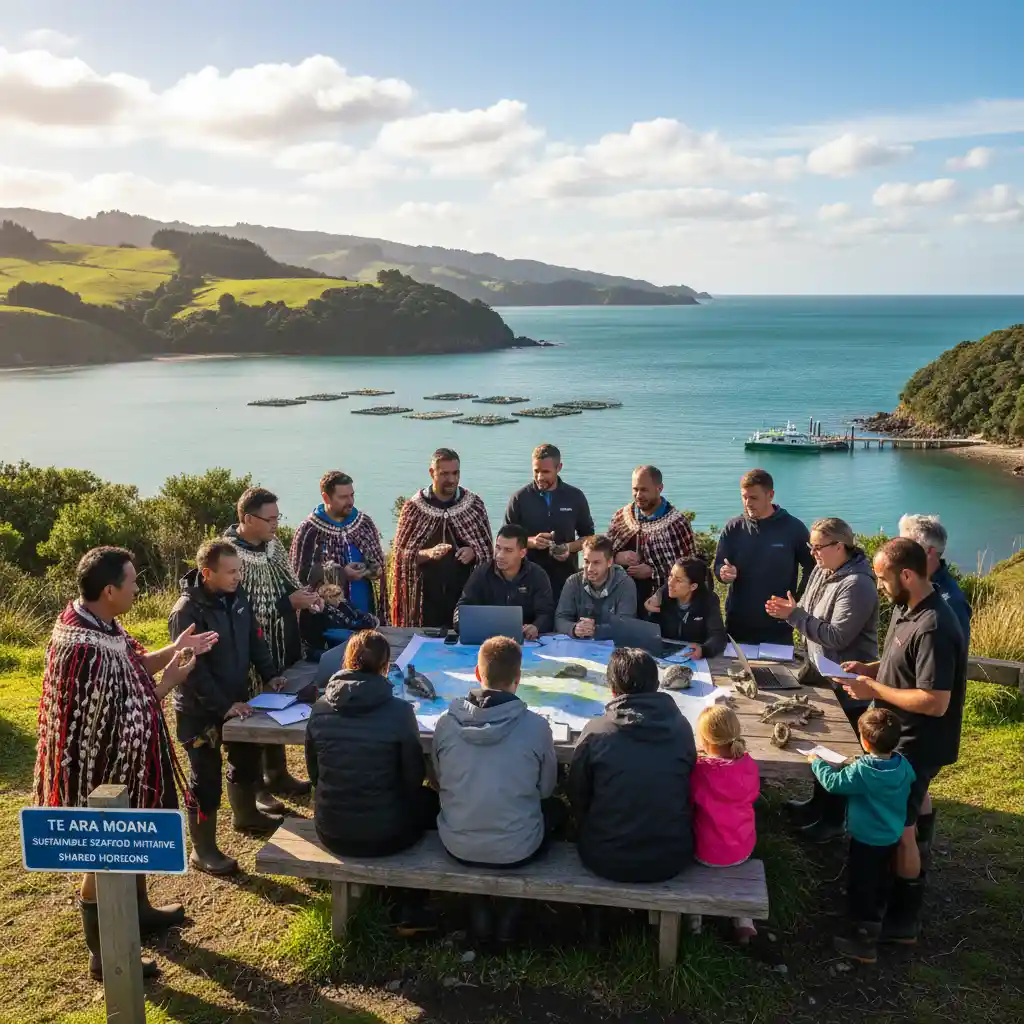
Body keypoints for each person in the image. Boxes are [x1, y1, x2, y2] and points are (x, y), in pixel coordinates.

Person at [34, 547, 213, 981]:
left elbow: (131, 667)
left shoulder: (98, 622)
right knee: (105, 856)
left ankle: (141, 912)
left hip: (124, 760)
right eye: (132, 582)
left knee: (132, 843)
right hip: (100, 773)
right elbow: (118, 714)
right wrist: (170, 681)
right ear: (110, 590)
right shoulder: (83, 649)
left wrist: (175, 648)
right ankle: (104, 954)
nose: (138, 587)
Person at [839, 538, 968, 945]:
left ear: (907, 575)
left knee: (902, 828)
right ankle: (884, 901)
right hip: (899, 735)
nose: (878, 585)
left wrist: (872, 687)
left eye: (881, 577)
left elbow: (935, 700)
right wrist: (871, 667)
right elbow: (900, 661)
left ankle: (900, 921)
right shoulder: (904, 608)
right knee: (899, 823)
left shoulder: (934, 625)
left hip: (918, 743)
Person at [305, 630, 439, 934]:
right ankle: (411, 902)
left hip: (332, 829)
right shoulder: (401, 712)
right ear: (385, 665)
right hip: (388, 835)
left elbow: (315, 774)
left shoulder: (320, 708)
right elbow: (412, 779)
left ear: (348, 661)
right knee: (433, 803)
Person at [169, 540, 288, 876]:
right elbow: (192, 672)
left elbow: (255, 639)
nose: (238, 576)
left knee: (245, 760)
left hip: (238, 700)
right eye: (231, 571)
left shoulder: (238, 597)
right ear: (207, 573)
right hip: (199, 712)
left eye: (239, 570)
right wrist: (224, 706)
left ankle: (246, 815)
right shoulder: (186, 611)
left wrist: (271, 675)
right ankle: (203, 850)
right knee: (205, 780)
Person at [433, 636, 559, 943]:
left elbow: (439, 781)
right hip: (519, 848)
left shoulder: (445, 724)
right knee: (557, 813)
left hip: (457, 843)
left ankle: (479, 909)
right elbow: (546, 790)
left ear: (477, 674)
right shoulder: (537, 727)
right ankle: (511, 914)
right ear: (519, 678)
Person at [765, 517, 880, 841]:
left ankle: (833, 821)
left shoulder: (857, 584)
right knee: (823, 743)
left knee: (840, 752)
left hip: (847, 680)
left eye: (818, 547)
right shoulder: (822, 570)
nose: (812, 554)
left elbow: (837, 636)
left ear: (840, 547)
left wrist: (795, 615)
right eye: (811, 547)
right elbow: (806, 610)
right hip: (820, 673)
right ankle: (817, 805)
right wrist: (794, 611)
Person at [225, 487, 322, 812]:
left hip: (284, 643)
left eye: (278, 518)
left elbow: (289, 581)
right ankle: (255, 789)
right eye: (270, 519)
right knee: (254, 712)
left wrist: (308, 598)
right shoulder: (227, 554)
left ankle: (277, 774)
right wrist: (286, 604)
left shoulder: (273, 546)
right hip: (250, 651)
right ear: (248, 518)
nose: (275, 525)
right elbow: (235, 606)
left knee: (278, 706)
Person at [567, 647, 697, 883]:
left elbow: (577, 792)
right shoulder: (682, 727)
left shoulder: (597, 731)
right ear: (656, 684)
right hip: (671, 855)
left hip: (605, 856)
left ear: (612, 688)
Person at [809, 708, 916, 963]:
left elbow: (834, 783)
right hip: (890, 836)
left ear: (864, 742)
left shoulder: (863, 772)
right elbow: (910, 780)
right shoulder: (902, 765)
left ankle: (862, 940)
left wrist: (817, 763)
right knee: (881, 880)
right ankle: (880, 921)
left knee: (861, 886)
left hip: (866, 839)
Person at [390, 448, 493, 629]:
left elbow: (486, 548)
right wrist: (428, 553)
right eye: (445, 474)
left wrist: (473, 552)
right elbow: (400, 555)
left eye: (456, 473)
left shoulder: (474, 505)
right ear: (432, 473)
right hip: (424, 601)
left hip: (465, 596)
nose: (451, 479)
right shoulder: (414, 508)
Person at [714, 468, 815, 644]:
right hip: (738, 623)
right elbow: (717, 567)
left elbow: (812, 567)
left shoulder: (793, 528)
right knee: (737, 671)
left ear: (770, 495)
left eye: (753, 498)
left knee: (778, 672)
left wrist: (797, 601)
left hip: (777, 626)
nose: (747, 503)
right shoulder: (733, 527)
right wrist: (723, 573)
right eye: (744, 497)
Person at [691, 706, 761, 943]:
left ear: (704, 740)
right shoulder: (749, 766)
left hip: (703, 852)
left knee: (695, 864)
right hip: (741, 848)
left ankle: (694, 917)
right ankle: (743, 920)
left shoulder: (700, 770)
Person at [289, 469, 389, 623]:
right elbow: (300, 577)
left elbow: (378, 564)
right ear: (326, 497)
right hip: (327, 620)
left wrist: (369, 569)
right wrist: (342, 574)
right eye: (343, 497)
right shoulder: (309, 530)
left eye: (352, 495)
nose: (350, 501)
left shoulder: (364, 524)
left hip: (365, 613)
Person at [503, 443, 594, 600]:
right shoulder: (519, 498)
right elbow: (505, 539)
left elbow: (589, 538)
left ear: (559, 467)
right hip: (527, 580)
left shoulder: (575, 497)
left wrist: (569, 548)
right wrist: (531, 542)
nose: (540, 477)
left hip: (565, 580)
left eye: (545, 472)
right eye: (536, 471)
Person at [608, 466, 697, 612]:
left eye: (644, 490)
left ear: (659, 488)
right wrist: (617, 556)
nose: (638, 495)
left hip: (661, 605)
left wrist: (653, 572)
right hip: (621, 601)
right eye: (635, 489)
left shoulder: (677, 524)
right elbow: (601, 553)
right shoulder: (621, 517)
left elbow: (690, 569)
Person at [455, 524, 555, 640]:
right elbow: (461, 608)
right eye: (498, 547)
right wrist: (461, 624)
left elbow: (547, 614)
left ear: (522, 553)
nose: (500, 555)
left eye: (508, 550)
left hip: (526, 642)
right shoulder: (481, 573)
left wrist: (536, 627)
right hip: (486, 640)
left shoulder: (538, 575)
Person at [898, 514, 971, 648]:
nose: (901, 556)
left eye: (908, 550)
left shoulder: (951, 602)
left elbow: (949, 660)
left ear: (930, 552)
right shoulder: (908, 585)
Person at [554, 534, 638, 639]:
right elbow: (560, 618)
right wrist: (574, 628)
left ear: (609, 562)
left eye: (596, 563)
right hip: (579, 646)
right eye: (586, 561)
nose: (590, 568)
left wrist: (596, 630)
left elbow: (626, 625)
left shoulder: (625, 584)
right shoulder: (573, 582)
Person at [644, 556, 727, 658]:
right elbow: (648, 630)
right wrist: (647, 610)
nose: (670, 583)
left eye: (678, 580)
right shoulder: (663, 596)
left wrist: (704, 650)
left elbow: (718, 636)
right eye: (670, 576)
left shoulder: (709, 600)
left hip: (695, 659)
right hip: (665, 656)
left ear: (693, 586)